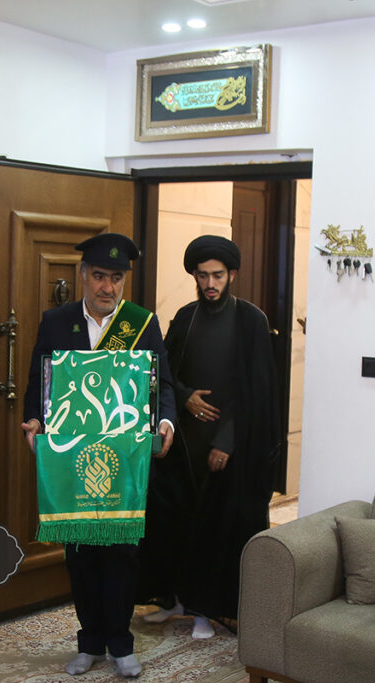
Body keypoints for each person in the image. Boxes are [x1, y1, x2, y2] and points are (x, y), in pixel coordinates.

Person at [21, 232, 176, 678]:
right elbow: (39, 383)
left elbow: (161, 383)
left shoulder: (141, 324)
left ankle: (121, 644)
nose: (108, 287)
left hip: (125, 460)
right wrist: (34, 420)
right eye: (100, 277)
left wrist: (166, 421)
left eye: (117, 278)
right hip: (72, 459)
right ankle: (89, 641)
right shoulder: (56, 322)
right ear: (84, 275)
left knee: (123, 554)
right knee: (82, 554)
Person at [138, 235, 281, 640]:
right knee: (175, 522)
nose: (210, 284)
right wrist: (185, 397)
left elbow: (255, 390)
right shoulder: (186, 317)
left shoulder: (250, 320)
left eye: (217, 275)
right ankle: (175, 600)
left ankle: (206, 609)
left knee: (215, 529)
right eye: (202, 276)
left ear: (232, 274)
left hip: (227, 445)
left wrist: (226, 442)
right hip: (184, 442)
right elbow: (164, 372)